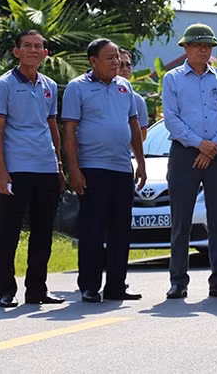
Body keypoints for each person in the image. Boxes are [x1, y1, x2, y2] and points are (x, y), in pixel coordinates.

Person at [62, 38, 147, 303]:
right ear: (93, 61)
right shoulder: (77, 89)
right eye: (110, 58)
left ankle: (116, 286)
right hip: (93, 168)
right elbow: (69, 131)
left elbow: (133, 126)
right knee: (92, 230)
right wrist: (74, 170)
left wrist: (140, 162)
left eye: (118, 59)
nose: (117, 63)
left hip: (122, 168)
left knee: (121, 231)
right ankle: (89, 286)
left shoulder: (125, 87)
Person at [0, 30, 64, 308]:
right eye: (27, 46)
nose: (33, 50)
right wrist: (1, 171)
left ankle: (37, 289)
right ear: (16, 51)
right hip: (16, 168)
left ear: (45, 53)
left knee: (43, 232)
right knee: (9, 231)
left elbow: (52, 126)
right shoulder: (3, 84)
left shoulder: (50, 85)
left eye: (38, 46)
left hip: (46, 167)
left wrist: (59, 165)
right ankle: (6, 290)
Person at [162, 23, 217, 299]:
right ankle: (178, 280)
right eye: (198, 45)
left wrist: (213, 146)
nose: (204, 50)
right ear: (186, 48)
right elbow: (171, 119)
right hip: (184, 153)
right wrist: (199, 144)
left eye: (208, 46)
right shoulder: (172, 79)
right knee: (181, 219)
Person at [118, 47, 149, 140]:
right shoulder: (95, 93)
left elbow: (142, 134)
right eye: (120, 65)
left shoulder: (137, 100)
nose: (125, 69)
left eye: (128, 65)